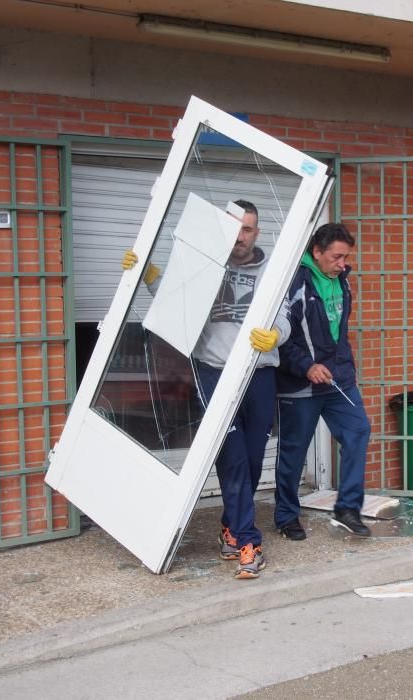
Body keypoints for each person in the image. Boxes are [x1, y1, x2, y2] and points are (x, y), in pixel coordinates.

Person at [123, 199, 288, 579]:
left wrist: (277, 335)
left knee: (251, 456)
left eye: (247, 229)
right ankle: (248, 541)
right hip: (213, 372)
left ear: (256, 233)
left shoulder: (273, 270)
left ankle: (231, 527)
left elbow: (286, 316)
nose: (240, 237)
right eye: (234, 229)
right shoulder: (203, 265)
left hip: (258, 374)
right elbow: (172, 299)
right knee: (230, 455)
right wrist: (145, 274)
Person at [274, 222, 371, 539]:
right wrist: (306, 366)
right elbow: (280, 336)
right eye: (337, 257)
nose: (343, 263)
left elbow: (337, 333)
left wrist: (344, 368)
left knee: (358, 430)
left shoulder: (342, 281)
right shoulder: (293, 283)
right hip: (301, 383)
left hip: (339, 379)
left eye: (346, 257)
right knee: (294, 450)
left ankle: (348, 509)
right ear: (317, 252)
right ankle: (287, 515)